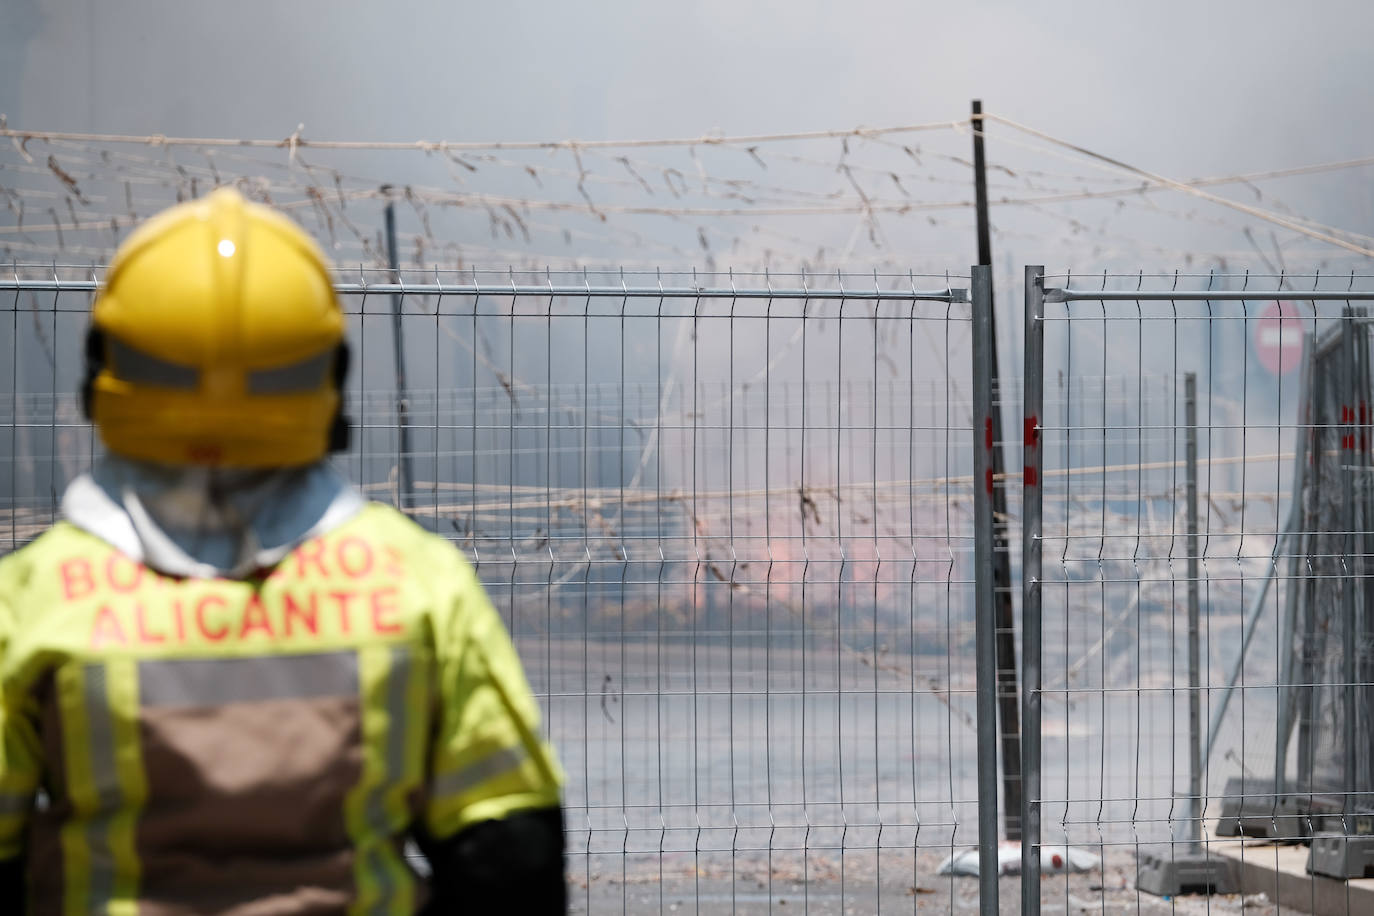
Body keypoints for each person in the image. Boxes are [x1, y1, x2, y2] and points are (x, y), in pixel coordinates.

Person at [0, 188, 567, 913]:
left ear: (106, 371)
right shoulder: (417, 582)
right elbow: (509, 850)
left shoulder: (34, 597)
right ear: (326, 378)